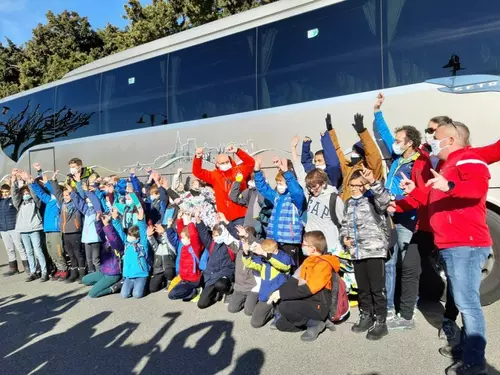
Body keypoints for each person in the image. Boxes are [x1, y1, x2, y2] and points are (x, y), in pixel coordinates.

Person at [400, 121, 491, 375]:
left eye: (436, 136)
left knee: (467, 303)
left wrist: (449, 186)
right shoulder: (447, 166)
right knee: (464, 300)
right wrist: (415, 191)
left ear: (451, 140)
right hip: (453, 244)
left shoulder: (467, 160)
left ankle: (475, 363)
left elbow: (477, 189)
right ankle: (466, 348)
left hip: (466, 243)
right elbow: (431, 199)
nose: (432, 140)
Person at [373, 93, 434, 324]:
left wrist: (397, 205)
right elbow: (386, 135)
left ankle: (410, 304)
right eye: (396, 140)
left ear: (410, 142)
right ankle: (389, 306)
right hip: (390, 216)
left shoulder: (420, 161)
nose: (395, 143)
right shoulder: (398, 160)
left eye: (400, 140)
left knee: (408, 264)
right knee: (390, 262)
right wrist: (378, 112)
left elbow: (419, 194)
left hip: (408, 217)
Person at [340, 168, 392, 341]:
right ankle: (366, 315)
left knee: (377, 289)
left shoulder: (372, 198)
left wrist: (373, 182)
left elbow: (385, 201)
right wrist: (344, 239)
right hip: (356, 252)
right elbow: (345, 225)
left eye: (358, 185)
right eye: (351, 185)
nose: (354, 188)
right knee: (363, 288)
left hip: (374, 250)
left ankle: (381, 322)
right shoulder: (348, 203)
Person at [267, 231, 339, 341]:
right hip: (306, 301)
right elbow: (293, 280)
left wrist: (282, 294)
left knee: (285, 306)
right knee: (281, 324)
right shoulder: (308, 260)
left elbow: (308, 290)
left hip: (318, 305)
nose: (302, 247)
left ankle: (315, 324)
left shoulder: (323, 265)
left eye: (304, 244)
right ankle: (312, 322)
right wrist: (277, 292)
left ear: (313, 248)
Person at [254, 157, 305, 267]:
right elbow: (263, 188)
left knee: (289, 268)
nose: (279, 186)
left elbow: (296, 190)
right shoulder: (277, 197)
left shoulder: (295, 199)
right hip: (274, 240)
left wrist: (286, 172)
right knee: (274, 267)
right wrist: (257, 171)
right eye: (277, 183)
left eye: (281, 183)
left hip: (289, 241)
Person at [192, 145, 255, 225]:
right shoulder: (214, 175)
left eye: (227, 162)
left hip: (241, 213)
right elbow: (198, 172)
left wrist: (237, 151)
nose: (225, 164)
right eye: (222, 163)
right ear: (217, 164)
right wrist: (198, 157)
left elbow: (251, 163)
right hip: (224, 216)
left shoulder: (239, 170)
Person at [329, 113, 384, 201]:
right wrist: (330, 131)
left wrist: (362, 132)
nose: (353, 153)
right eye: (353, 151)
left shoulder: (370, 170)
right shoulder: (348, 167)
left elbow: (373, 155)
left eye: (356, 151)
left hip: (363, 207)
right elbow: (337, 151)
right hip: (346, 206)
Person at [242, 239, 293, 328]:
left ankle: (279, 312)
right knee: (255, 322)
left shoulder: (285, 258)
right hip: (266, 294)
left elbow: (284, 266)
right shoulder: (263, 260)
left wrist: (266, 255)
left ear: (275, 251)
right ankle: (271, 310)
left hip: (279, 295)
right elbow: (249, 264)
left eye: (267, 253)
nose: (264, 255)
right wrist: (246, 252)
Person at [29, 165, 68, 281]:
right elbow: (39, 193)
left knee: (58, 251)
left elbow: (53, 189)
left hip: (56, 229)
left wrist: (42, 174)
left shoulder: (59, 200)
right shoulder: (49, 199)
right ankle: (58, 269)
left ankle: (64, 269)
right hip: (48, 229)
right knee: (51, 251)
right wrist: (31, 183)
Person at [11, 170, 48, 282]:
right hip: (23, 230)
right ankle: (33, 272)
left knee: (38, 250)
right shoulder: (19, 204)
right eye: (23, 193)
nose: (25, 195)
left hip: (34, 228)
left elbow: (34, 194)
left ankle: (44, 272)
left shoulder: (35, 202)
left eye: (27, 193)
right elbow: (14, 195)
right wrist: (13, 181)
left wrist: (28, 181)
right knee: (28, 251)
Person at [195, 212, 236, 309]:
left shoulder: (230, 245)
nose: (215, 237)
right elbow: (204, 234)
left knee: (220, 284)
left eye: (217, 235)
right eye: (213, 235)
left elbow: (236, 236)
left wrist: (226, 221)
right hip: (211, 275)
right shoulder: (212, 244)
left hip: (224, 274)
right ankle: (216, 293)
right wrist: (198, 221)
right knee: (202, 304)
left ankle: (229, 290)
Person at [81, 213, 123, 298]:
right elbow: (100, 232)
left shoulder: (117, 242)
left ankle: (114, 287)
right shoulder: (106, 240)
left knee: (92, 294)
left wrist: (107, 225)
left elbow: (113, 238)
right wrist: (97, 221)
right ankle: (102, 284)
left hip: (113, 274)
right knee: (85, 280)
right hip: (103, 271)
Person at [51, 178, 85, 283]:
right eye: (64, 195)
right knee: (70, 254)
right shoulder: (63, 205)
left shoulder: (75, 205)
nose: (65, 197)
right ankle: (73, 273)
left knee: (77, 253)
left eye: (68, 195)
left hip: (75, 232)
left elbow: (79, 196)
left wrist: (73, 188)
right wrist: (54, 181)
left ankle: (82, 274)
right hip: (65, 233)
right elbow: (57, 193)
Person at [166, 212, 204, 302]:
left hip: (193, 279)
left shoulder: (195, 247)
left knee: (172, 295)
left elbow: (194, 235)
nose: (181, 239)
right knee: (171, 290)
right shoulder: (184, 246)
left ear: (189, 238)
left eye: (184, 238)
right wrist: (179, 219)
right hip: (184, 277)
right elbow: (181, 232)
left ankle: (195, 291)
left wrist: (190, 222)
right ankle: (189, 292)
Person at [69, 174, 102, 276]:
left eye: (89, 199)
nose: (87, 201)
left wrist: (88, 191)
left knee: (96, 259)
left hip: (96, 238)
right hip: (87, 238)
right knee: (89, 259)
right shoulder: (87, 211)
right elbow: (79, 203)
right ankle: (91, 275)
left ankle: (99, 275)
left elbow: (96, 203)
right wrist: (71, 192)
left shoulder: (97, 211)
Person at [298, 113, 342, 188]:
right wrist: (306, 145)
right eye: (315, 161)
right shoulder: (313, 170)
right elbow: (305, 163)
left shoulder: (331, 173)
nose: (317, 163)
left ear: (326, 161)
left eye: (319, 160)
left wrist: (325, 138)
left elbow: (333, 164)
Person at [116, 206, 150, 299]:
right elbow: (119, 232)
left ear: (137, 237)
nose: (129, 237)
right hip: (129, 275)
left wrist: (141, 220)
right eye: (129, 235)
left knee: (137, 295)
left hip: (141, 275)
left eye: (131, 235)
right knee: (124, 295)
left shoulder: (142, 244)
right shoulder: (126, 244)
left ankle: (145, 284)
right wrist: (115, 220)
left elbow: (143, 232)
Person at [227, 225, 261, 316]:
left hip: (252, 287)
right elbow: (227, 237)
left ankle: (256, 300)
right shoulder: (238, 248)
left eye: (245, 238)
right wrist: (225, 222)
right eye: (241, 238)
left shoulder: (256, 251)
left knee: (249, 312)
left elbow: (257, 243)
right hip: (239, 287)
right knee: (232, 309)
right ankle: (244, 300)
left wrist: (247, 235)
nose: (243, 240)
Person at [229, 172, 271, 239]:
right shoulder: (250, 191)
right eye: (254, 179)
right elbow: (234, 197)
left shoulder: (268, 191)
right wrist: (237, 182)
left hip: (264, 228)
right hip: (250, 227)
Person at [0, 183, 27, 276]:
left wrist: (13, 183)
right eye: (2, 192)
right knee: (9, 249)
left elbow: (16, 194)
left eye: (6, 192)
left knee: (20, 247)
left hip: (14, 228)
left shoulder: (12, 200)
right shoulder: (0, 201)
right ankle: (13, 268)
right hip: (3, 229)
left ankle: (27, 267)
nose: (4, 194)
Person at [147, 223, 176, 293]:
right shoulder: (158, 245)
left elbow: (168, 241)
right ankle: (163, 281)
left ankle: (170, 281)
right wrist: (149, 236)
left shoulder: (170, 245)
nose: (160, 235)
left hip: (169, 269)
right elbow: (153, 243)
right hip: (159, 270)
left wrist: (164, 233)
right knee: (152, 289)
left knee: (168, 271)